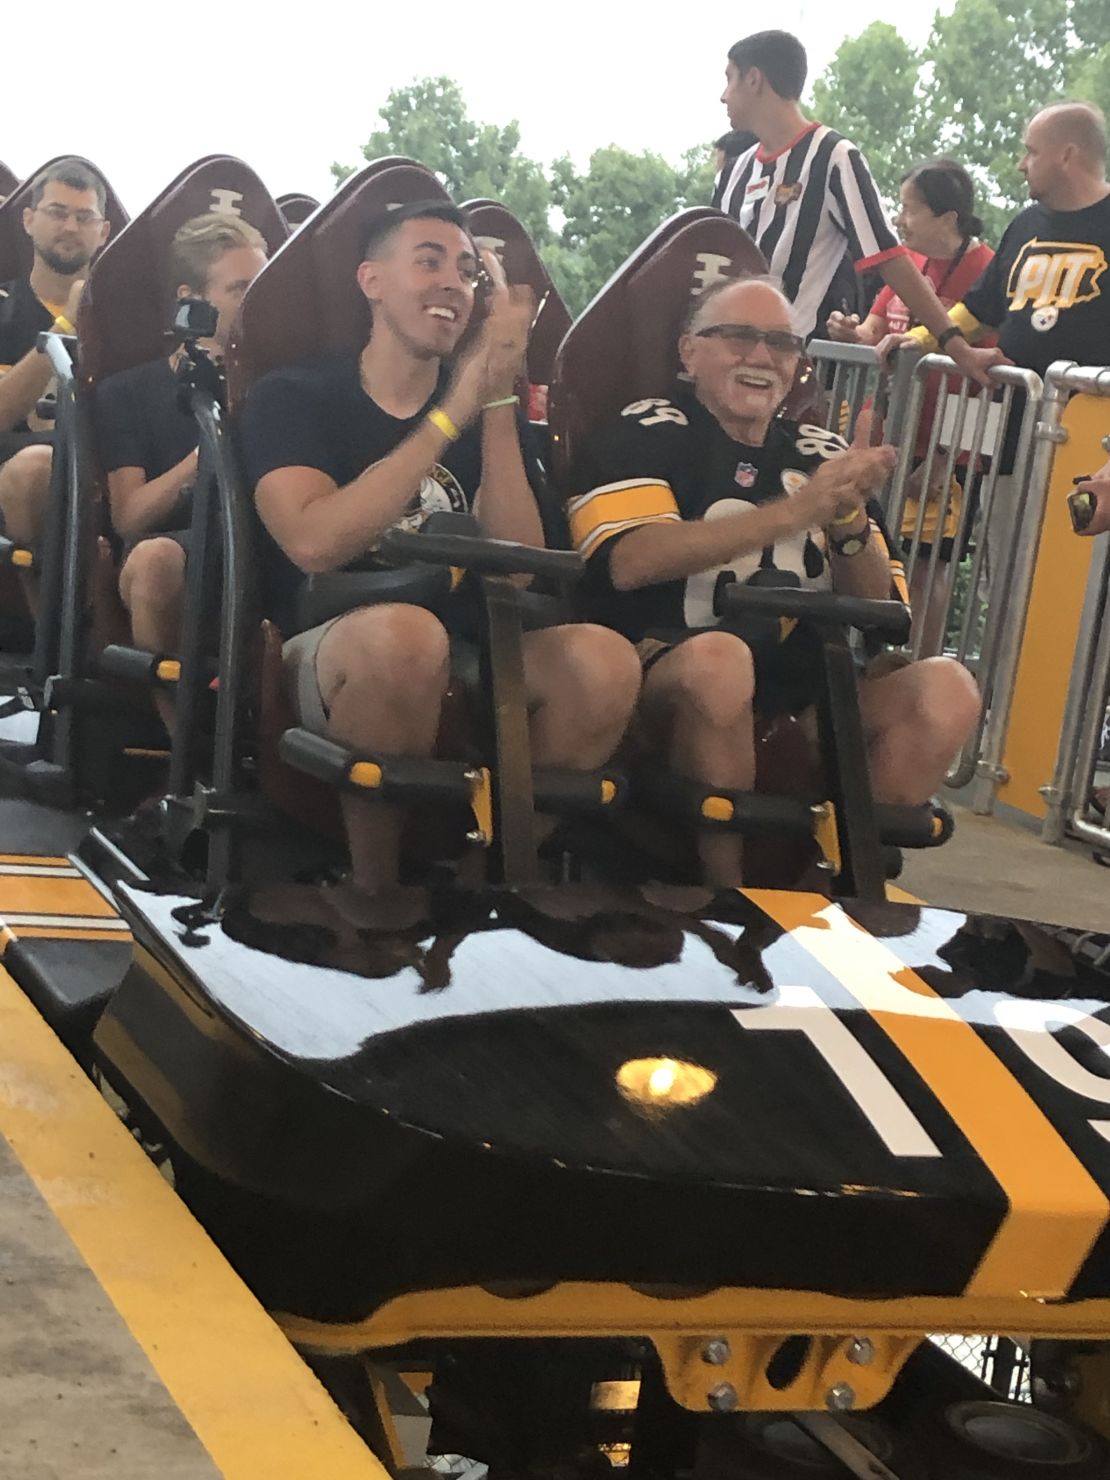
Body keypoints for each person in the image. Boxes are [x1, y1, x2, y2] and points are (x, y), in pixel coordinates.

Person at [241, 200, 640, 920]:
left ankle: (479, 884)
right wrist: (450, 411)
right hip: (326, 642)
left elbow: (519, 567)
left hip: (468, 638)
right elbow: (314, 542)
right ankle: (376, 891)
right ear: (371, 279)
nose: (452, 283)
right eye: (428, 261)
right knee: (406, 637)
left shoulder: (481, 406)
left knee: (606, 662)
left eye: (464, 270)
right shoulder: (293, 396)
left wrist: (491, 404)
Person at [566, 275, 981, 888]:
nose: (761, 356)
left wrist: (845, 518)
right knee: (720, 660)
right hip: (664, 683)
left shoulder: (821, 449)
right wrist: (794, 513)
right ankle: (730, 896)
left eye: (781, 343)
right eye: (737, 336)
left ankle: (832, 888)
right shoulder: (644, 429)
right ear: (689, 351)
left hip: (812, 692)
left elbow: (884, 611)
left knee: (948, 686)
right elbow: (631, 560)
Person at [715, 29, 1000, 389]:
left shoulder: (833, 157)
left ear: (754, 79)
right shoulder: (734, 172)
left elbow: (890, 258)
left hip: (781, 371)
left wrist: (958, 347)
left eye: (729, 79)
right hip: (722, 369)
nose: (722, 96)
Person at [94, 213, 269, 733]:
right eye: (240, 289)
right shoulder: (126, 393)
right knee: (156, 560)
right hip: (174, 550)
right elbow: (130, 516)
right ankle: (185, 756)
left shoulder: (281, 389)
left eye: (261, 288)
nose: (254, 303)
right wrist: (207, 451)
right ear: (192, 298)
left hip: (261, 548)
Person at [827, 159, 996, 652]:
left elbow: (991, 370)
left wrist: (948, 455)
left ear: (949, 217)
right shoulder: (910, 266)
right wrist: (849, 333)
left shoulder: (985, 273)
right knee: (876, 552)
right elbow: (875, 331)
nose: (899, 220)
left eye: (909, 209)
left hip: (941, 454)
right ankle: (874, 662)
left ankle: (915, 662)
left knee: (928, 563)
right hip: (889, 442)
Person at [0, 159, 111, 568]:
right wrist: (65, 325)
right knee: (36, 468)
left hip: (103, 479)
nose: (69, 227)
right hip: (14, 479)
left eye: (84, 217)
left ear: (104, 233)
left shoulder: (125, 321)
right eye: (57, 213)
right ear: (28, 220)